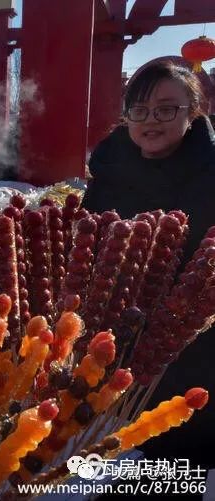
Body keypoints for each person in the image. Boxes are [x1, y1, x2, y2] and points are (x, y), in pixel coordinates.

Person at [83, 61, 215, 470]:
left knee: (176, 446)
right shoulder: (107, 169)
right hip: (116, 329)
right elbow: (89, 243)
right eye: (138, 110)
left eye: (166, 109)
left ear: (194, 111)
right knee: (113, 445)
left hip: (190, 338)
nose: (150, 120)